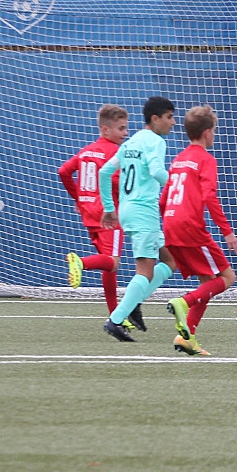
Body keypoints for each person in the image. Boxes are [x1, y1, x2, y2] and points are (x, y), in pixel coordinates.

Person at [161, 106, 237, 356]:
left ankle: (187, 337)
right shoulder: (206, 159)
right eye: (214, 130)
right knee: (227, 277)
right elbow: (209, 197)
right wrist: (227, 231)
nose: (214, 135)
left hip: (170, 224)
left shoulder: (178, 159)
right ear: (207, 133)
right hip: (190, 227)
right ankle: (183, 302)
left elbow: (163, 200)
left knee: (206, 281)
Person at [98, 96, 178, 342]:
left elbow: (105, 171)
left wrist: (109, 207)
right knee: (145, 271)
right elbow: (156, 171)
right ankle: (116, 319)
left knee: (171, 260)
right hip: (144, 211)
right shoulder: (156, 141)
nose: (173, 123)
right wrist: (180, 186)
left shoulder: (131, 142)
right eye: (169, 117)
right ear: (155, 119)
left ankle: (134, 301)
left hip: (127, 209)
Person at [58, 104, 139, 327]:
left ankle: (115, 315)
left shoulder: (86, 151)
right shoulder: (114, 153)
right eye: (121, 128)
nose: (126, 133)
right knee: (112, 262)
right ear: (105, 129)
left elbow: (64, 171)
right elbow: (116, 181)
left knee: (108, 265)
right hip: (108, 213)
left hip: (88, 211)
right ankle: (80, 262)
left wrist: (78, 198)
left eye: (126, 128)